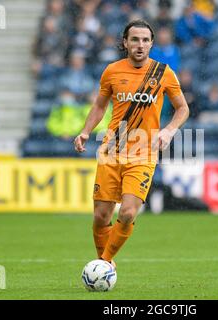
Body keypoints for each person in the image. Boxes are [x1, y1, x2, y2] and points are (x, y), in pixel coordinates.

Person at [73, 20, 189, 267]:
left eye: (146, 40)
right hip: (112, 150)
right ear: (125, 42)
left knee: (126, 213)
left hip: (143, 152)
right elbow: (100, 106)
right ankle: (103, 263)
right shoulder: (112, 71)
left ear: (152, 44)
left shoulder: (163, 73)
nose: (140, 45)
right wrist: (85, 131)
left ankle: (103, 263)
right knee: (100, 216)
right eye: (135, 39)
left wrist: (168, 131)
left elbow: (183, 109)